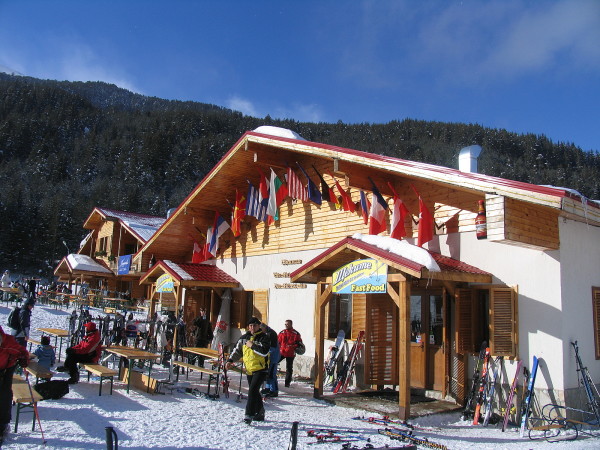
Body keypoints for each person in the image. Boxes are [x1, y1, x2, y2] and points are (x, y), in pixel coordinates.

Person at [227, 317, 270, 424]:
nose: (252, 328)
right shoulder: (244, 338)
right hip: (249, 369)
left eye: (255, 325)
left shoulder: (264, 337)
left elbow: (264, 352)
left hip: (261, 369)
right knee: (254, 392)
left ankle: (248, 414)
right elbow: (237, 351)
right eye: (250, 326)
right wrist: (230, 360)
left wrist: (252, 346)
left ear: (259, 326)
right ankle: (260, 412)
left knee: (252, 391)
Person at [0, 325, 29, 442]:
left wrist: (23, 359)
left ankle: (3, 425)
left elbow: (23, 352)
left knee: (4, 397)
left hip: (6, 370)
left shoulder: (9, 341)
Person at [278, 319, 302, 388]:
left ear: (291, 324)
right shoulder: (282, 332)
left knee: (289, 368)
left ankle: (287, 383)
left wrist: (293, 347)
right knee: (273, 363)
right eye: (285, 324)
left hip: (290, 353)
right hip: (282, 352)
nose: (286, 325)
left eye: (287, 324)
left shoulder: (295, 333)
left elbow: (299, 343)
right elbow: (277, 342)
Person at [260, 322, 280, 398]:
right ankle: (268, 388)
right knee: (267, 373)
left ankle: (274, 390)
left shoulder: (271, 334)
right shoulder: (266, 333)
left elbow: (273, 347)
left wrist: (265, 352)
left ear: (264, 328)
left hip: (273, 357)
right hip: (268, 357)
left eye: (261, 330)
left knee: (271, 374)